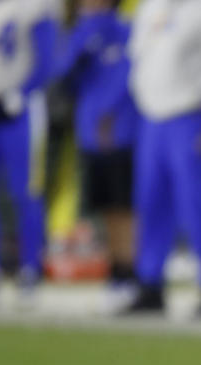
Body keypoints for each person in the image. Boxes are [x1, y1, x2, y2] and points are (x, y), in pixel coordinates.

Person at [125, 0, 201, 315]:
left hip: (192, 117)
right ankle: (150, 284)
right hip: (152, 118)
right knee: (150, 204)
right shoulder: (150, 7)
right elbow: (138, 61)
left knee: (197, 206)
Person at [56, 0, 139, 312]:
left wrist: (113, 116)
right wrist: (82, 39)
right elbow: (63, 74)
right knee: (106, 209)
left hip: (120, 130)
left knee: (124, 208)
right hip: (89, 132)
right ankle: (116, 274)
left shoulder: (124, 29)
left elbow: (128, 78)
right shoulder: (82, 31)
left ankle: (131, 274)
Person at [0, 0, 59, 306]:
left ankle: (30, 269)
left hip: (21, 111)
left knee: (26, 191)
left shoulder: (35, 6)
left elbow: (47, 61)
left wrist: (22, 92)